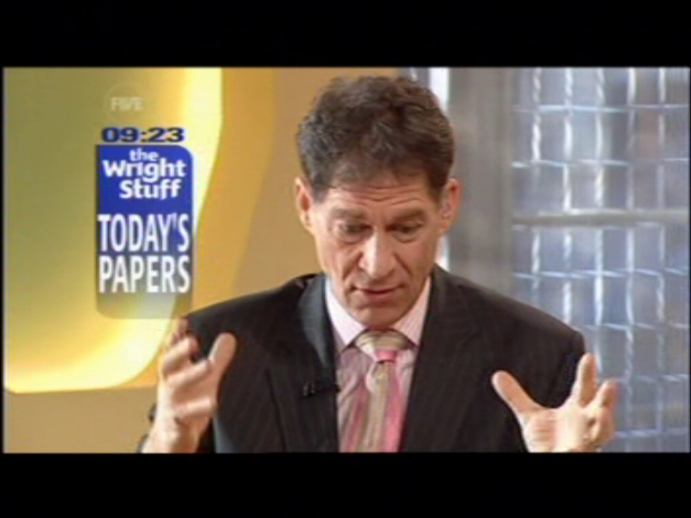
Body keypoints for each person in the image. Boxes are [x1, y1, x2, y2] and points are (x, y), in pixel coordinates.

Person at [139, 75, 617, 453]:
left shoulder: (537, 355)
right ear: (306, 206)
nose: (377, 265)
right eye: (352, 228)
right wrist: (169, 443)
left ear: (447, 206)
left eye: (405, 229)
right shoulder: (218, 348)